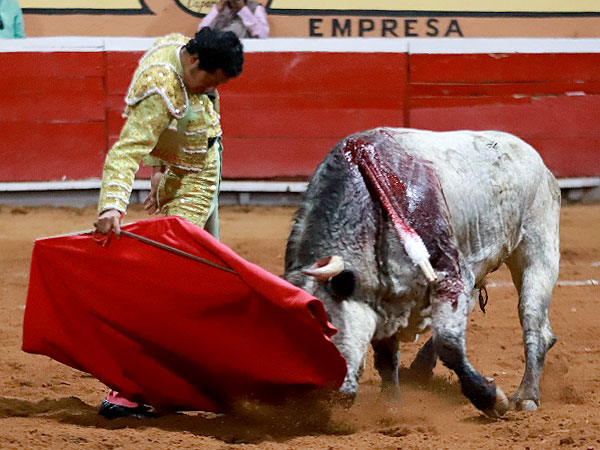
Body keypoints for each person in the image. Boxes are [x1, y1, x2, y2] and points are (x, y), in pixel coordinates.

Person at [94, 28, 244, 419]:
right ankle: (129, 388)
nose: (210, 90)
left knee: (194, 276)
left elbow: (196, 111)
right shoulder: (160, 87)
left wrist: (161, 168)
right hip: (190, 178)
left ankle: (193, 374)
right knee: (174, 278)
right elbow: (126, 151)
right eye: (209, 81)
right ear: (194, 61)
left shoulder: (179, 48)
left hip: (198, 175)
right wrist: (113, 206)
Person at [198, 0, 269, 39]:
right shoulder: (219, 8)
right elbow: (201, 33)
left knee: (237, 26)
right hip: (219, 54)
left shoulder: (256, 8)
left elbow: (262, 36)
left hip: (244, 54)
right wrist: (217, 10)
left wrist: (243, 10)